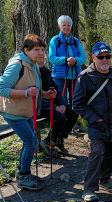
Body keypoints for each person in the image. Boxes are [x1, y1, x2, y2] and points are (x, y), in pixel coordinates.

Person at [73, 42, 112, 202]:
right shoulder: (85, 77)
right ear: (93, 58)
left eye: (107, 56)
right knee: (96, 153)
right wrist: (94, 118)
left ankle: (105, 180)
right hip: (96, 126)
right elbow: (77, 104)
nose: (105, 60)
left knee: (111, 153)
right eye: (101, 57)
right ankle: (89, 189)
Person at [0, 34, 55, 190]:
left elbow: (33, 89)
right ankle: (23, 176)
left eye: (43, 50)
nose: (41, 53)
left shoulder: (34, 65)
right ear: (26, 49)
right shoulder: (17, 65)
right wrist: (25, 93)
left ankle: (23, 173)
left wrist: (45, 94)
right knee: (31, 142)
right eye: (36, 49)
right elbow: (1, 88)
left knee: (30, 142)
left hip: (26, 112)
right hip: (13, 112)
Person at [49, 15, 85, 149]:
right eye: (64, 25)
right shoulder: (55, 40)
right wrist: (65, 60)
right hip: (59, 77)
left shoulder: (76, 41)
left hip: (75, 77)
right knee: (62, 106)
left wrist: (75, 60)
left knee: (75, 105)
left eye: (68, 25)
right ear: (60, 26)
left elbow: (83, 57)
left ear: (71, 26)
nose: (66, 27)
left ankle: (62, 136)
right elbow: (52, 58)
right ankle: (56, 138)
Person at [38, 60, 79, 156]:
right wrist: (55, 107)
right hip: (39, 107)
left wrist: (62, 104)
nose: (41, 58)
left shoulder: (46, 72)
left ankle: (59, 139)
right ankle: (48, 141)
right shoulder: (30, 73)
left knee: (73, 114)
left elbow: (57, 90)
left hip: (51, 103)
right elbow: (36, 97)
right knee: (61, 117)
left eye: (42, 52)